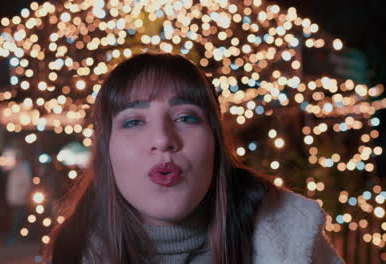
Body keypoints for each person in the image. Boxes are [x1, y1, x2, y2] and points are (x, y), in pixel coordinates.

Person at [45, 53, 344, 264]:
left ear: (215, 140)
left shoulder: (297, 240)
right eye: (134, 121)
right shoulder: (68, 254)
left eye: (186, 117)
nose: (163, 139)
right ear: (105, 148)